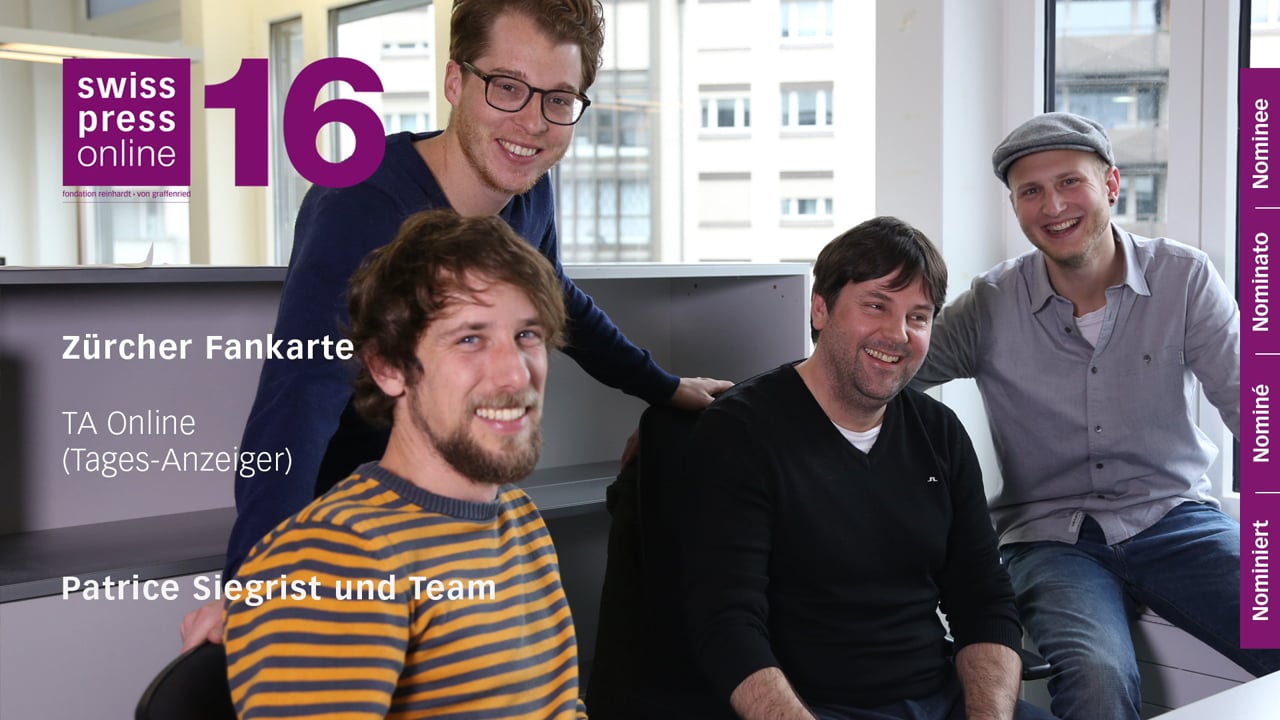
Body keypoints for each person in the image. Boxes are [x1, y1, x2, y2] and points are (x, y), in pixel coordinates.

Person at [182, 0, 730, 649]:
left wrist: (664, 388)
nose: (533, 122)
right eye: (507, 87)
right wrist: (252, 588)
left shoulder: (527, 187)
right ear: (454, 81)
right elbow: (295, 402)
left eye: (558, 99)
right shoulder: (361, 206)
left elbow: (558, 299)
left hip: (455, 513)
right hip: (355, 536)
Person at [911, 112, 1280, 719]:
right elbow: (889, 374)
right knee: (1096, 679)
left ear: (1110, 184)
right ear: (1016, 206)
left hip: (1174, 519)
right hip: (1050, 541)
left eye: (1070, 182)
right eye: (1031, 191)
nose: (1053, 206)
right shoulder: (989, 304)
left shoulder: (1183, 277)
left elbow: (1253, 406)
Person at [683, 217, 1054, 720]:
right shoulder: (740, 433)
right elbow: (726, 626)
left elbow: (984, 601)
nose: (897, 334)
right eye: (876, 305)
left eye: (918, 316)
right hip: (812, 708)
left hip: (940, 698)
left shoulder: (939, 432)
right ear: (820, 308)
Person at [224, 209, 586, 718]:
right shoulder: (338, 559)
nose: (514, 373)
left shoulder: (519, 519)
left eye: (527, 335)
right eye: (470, 339)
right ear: (388, 367)